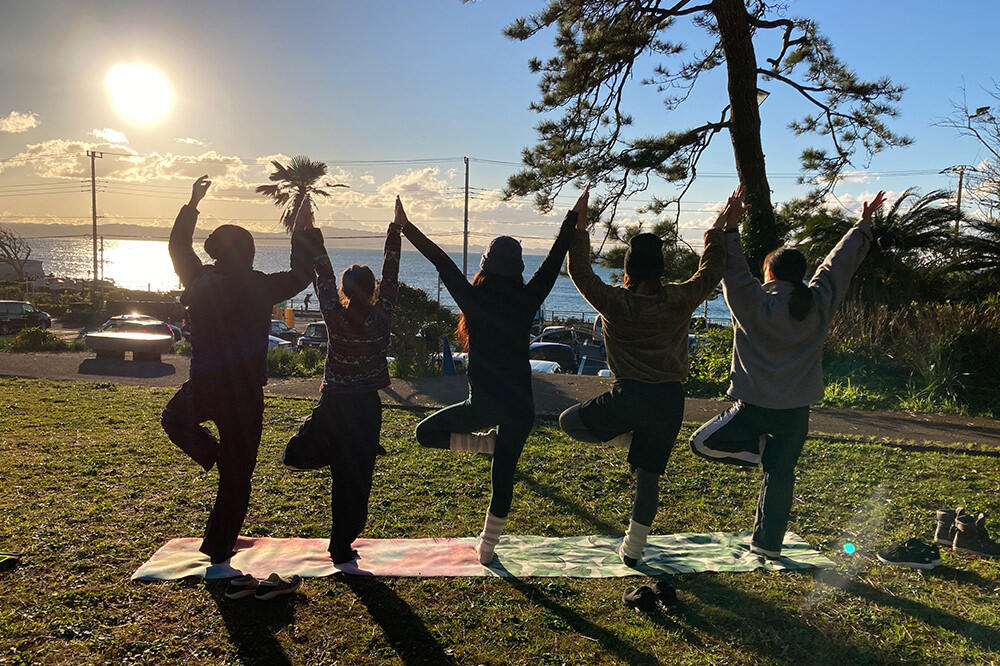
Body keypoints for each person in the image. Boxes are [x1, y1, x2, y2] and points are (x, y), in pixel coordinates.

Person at [689, 188, 886, 559]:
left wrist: (730, 229)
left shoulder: (753, 302)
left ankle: (758, 453)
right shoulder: (818, 301)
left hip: (753, 408)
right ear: (799, 276)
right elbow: (837, 265)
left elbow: (732, 269)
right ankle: (768, 545)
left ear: (770, 272)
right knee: (780, 476)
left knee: (702, 443)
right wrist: (862, 227)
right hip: (796, 412)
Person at [398, 193, 581, 564]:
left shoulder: (472, 298)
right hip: (520, 407)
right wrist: (573, 217)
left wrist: (406, 227)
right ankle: (487, 550)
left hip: (482, 406)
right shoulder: (528, 298)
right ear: (517, 272)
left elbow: (441, 262)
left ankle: (485, 445)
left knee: (424, 433)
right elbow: (555, 256)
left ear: (484, 268)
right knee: (503, 479)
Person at [558, 186, 730, 567]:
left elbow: (579, 271)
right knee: (648, 478)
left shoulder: (616, 302)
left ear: (627, 271)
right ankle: (633, 551)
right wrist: (718, 228)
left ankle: (626, 440)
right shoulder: (680, 298)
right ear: (663, 270)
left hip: (629, 397)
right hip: (669, 400)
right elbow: (711, 271)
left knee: (569, 422)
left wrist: (580, 228)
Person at [160, 175, 322, 564]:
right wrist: (303, 232)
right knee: (236, 479)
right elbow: (302, 275)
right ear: (248, 255)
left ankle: (212, 455)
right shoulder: (259, 286)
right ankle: (217, 547)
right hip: (244, 394)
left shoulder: (198, 280)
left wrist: (193, 202)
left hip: (205, 384)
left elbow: (177, 246)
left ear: (217, 253)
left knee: (173, 419)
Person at [280, 197, 402, 564]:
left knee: (302, 457)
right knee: (356, 478)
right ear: (373, 289)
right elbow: (391, 274)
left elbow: (324, 274)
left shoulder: (333, 312)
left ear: (347, 291)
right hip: (364, 407)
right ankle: (342, 539)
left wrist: (310, 229)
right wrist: (395, 230)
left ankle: (340, 544)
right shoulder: (383, 316)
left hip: (335, 404)